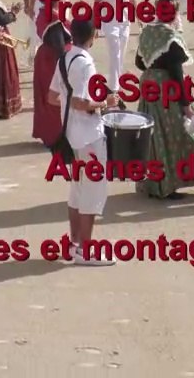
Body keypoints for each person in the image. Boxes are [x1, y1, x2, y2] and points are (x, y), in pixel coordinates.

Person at [48, 18, 119, 266]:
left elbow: (53, 96)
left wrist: (72, 105)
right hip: (89, 136)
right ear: (93, 36)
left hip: (71, 135)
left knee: (77, 192)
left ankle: (75, 243)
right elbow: (80, 102)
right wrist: (104, 103)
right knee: (91, 192)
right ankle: (85, 251)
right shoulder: (86, 62)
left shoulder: (64, 59)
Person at [133, 0, 194, 199]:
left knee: (153, 137)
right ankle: (167, 185)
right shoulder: (171, 38)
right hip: (165, 90)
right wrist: (186, 104)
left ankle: (153, 183)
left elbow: (139, 63)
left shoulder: (148, 32)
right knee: (172, 134)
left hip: (148, 85)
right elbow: (177, 74)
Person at [32, 0, 72, 146]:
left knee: (46, 97)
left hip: (45, 58)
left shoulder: (44, 13)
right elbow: (59, 45)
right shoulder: (53, 16)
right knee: (58, 97)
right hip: (53, 61)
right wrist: (67, 66)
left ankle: (49, 133)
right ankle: (56, 136)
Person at [94, 0, 137, 91]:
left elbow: (132, 0)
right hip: (110, 22)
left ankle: (117, 79)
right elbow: (97, 3)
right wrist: (96, 24)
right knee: (115, 53)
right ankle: (114, 88)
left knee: (121, 53)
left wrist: (137, 16)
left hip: (124, 23)